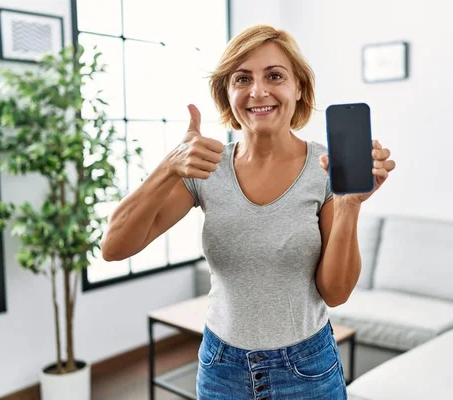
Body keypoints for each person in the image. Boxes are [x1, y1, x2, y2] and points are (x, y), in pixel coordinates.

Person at [101, 24, 395, 400]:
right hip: (221, 369)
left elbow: (335, 293)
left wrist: (349, 204)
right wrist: (169, 166)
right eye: (242, 79)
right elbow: (114, 247)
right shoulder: (205, 167)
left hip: (307, 371)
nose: (258, 91)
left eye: (275, 75)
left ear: (298, 87)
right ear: (227, 91)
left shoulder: (326, 168)